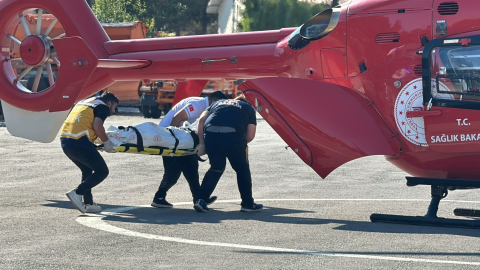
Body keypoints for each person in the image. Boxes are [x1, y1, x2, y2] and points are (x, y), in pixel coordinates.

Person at [151, 91, 228, 208]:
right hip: (169, 139)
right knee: (189, 168)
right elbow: (176, 119)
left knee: (175, 172)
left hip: (177, 140)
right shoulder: (197, 104)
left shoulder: (202, 105)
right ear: (213, 101)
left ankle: (160, 197)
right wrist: (174, 143)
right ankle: (198, 198)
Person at [194, 95, 263, 212]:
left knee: (216, 168)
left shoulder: (217, 103)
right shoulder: (248, 108)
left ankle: (200, 200)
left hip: (210, 135)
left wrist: (202, 143)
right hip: (233, 136)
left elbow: (201, 120)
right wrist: (238, 144)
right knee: (242, 169)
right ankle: (247, 204)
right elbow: (250, 136)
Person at [62, 91, 119, 213]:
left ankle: (88, 203)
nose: (113, 111)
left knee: (87, 170)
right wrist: (106, 142)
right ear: (109, 103)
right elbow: (98, 126)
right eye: (114, 107)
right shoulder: (102, 106)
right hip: (79, 143)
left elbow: (83, 123)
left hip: (66, 142)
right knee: (102, 171)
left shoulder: (84, 103)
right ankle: (77, 192)